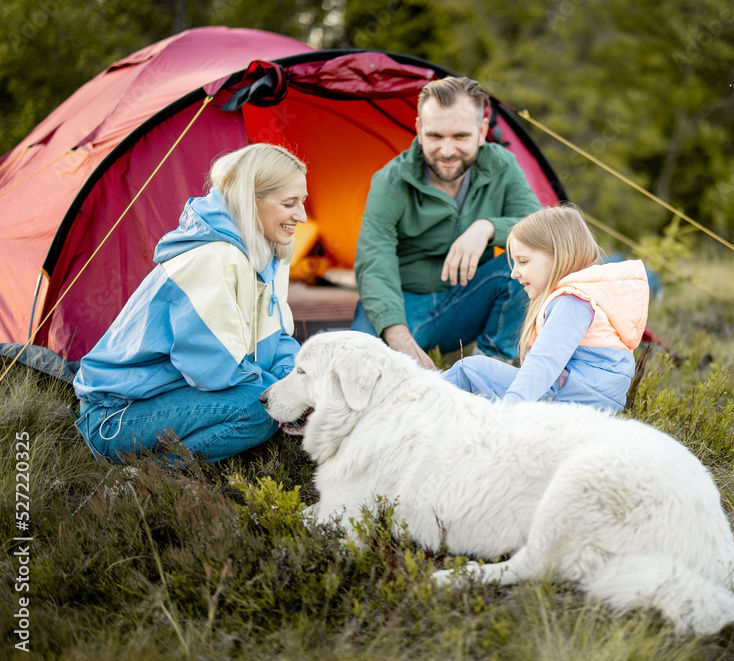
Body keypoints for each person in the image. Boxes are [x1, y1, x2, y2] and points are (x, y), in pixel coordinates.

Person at [72, 143, 306, 463]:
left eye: (302, 202)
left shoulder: (271, 252)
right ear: (251, 202)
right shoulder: (214, 258)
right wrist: (281, 394)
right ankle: (144, 479)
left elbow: (277, 337)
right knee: (259, 410)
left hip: (170, 398)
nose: (302, 215)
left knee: (288, 391)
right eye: (290, 203)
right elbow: (214, 371)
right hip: (116, 417)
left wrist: (298, 380)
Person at [351, 76, 542, 368]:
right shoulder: (390, 180)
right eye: (436, 136)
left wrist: (487, 227)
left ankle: (488, 370)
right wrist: (398, 336)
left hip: (467, 300)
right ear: (419, 129)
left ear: (481, 132)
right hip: (404, 305)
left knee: (528, 262)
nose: (448, 151)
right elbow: (374, 261)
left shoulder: (503, 165)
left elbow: (541, 229)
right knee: (357, 366)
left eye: (461, 137)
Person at [442, 206, 649, 412]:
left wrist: (511, 408)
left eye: (523, 261)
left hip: (569, 399)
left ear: (560, 256)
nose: (514, 273)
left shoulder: (571, 301)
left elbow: (544, 362)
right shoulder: (589, 296)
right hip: (588, 400)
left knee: (467, 370)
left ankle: (417, 399)